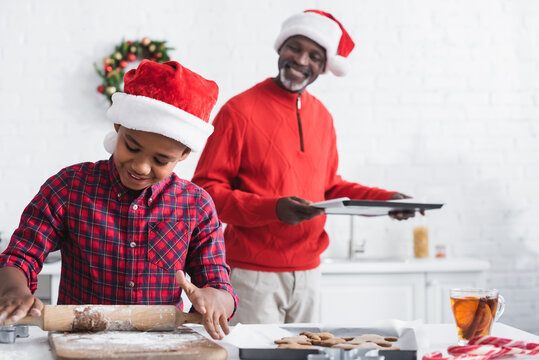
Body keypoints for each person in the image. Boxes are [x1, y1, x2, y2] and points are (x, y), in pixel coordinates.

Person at [191, 10, 417, 325]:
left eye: (314, 55)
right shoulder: (238, 111)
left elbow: (330, 187)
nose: (301, 60)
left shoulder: (322, 117)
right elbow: (206, 196)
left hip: (310, 274)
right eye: (294, 47)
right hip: (252, 276)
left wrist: (385, 201)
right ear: (280, 48)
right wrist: (274, 209)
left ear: (324, 67)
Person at [0, 60, 237, 339]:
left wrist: (216, 299)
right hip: (78, 343)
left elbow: (221, 288)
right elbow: (19, 257)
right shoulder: (69, 187)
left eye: (161, 160)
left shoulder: (196, 205)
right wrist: (12, 290)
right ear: (118, 126)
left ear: (184, 154)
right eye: (132, 147)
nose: (141, 167)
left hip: (163, 347)